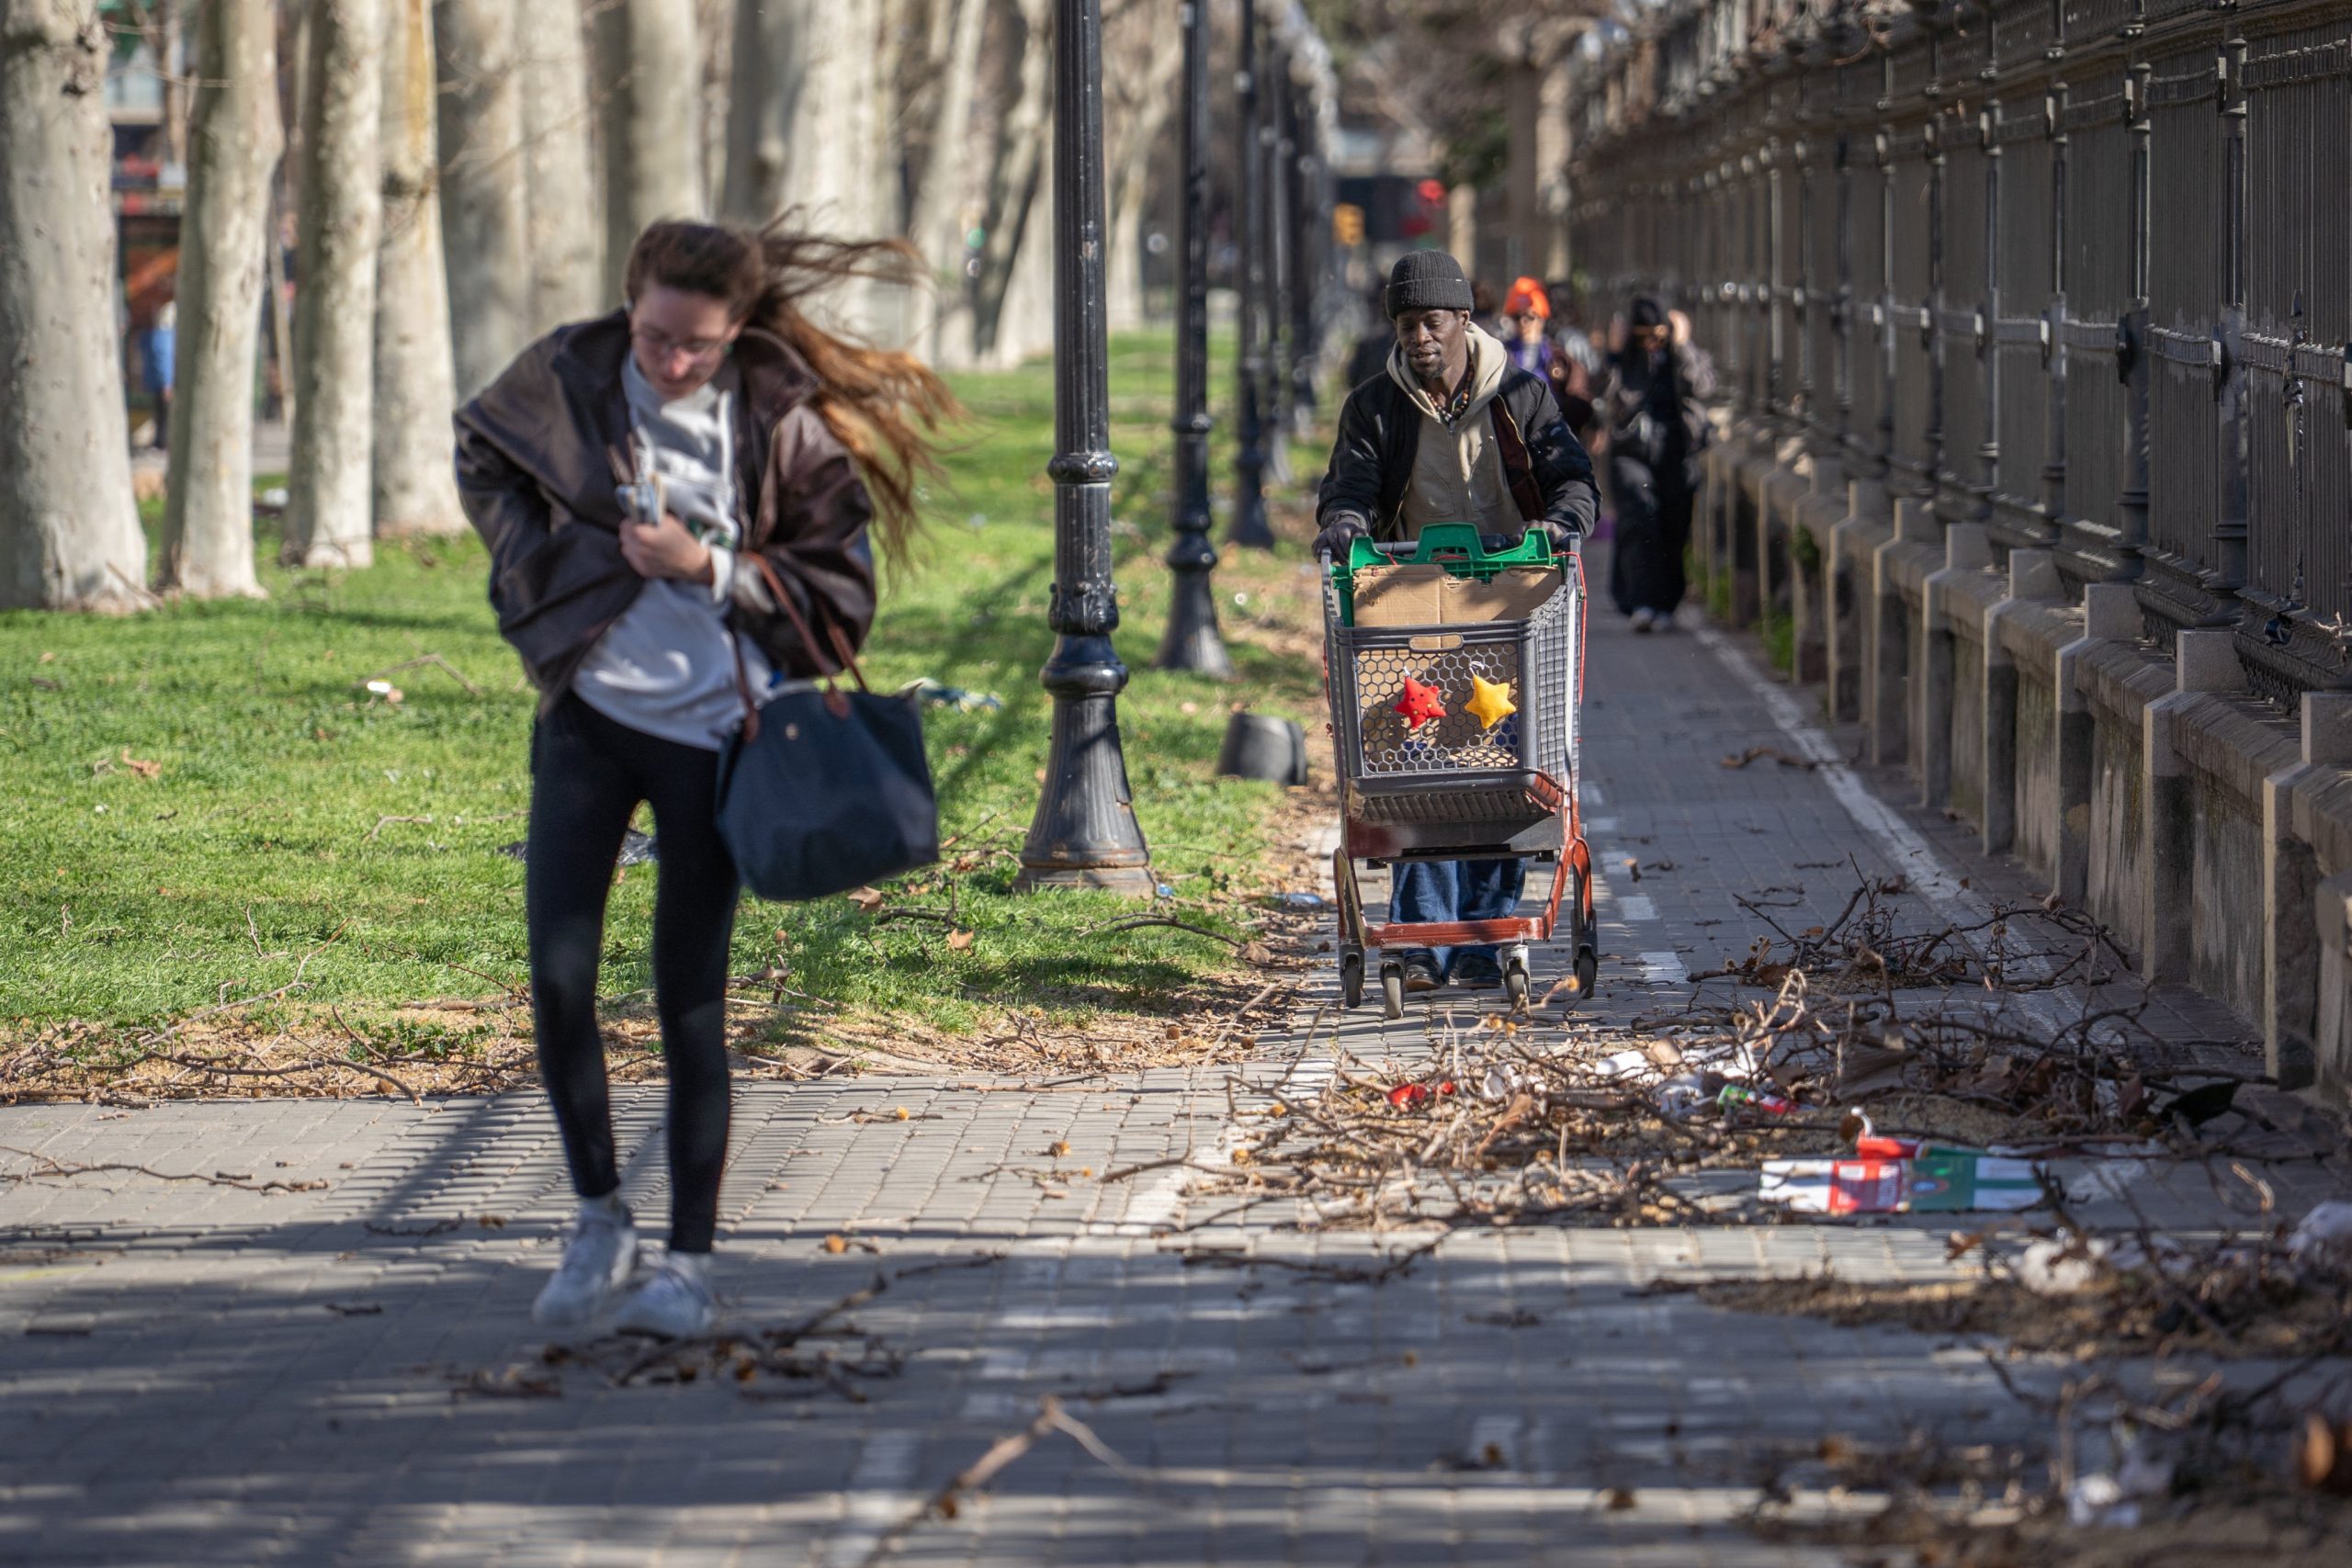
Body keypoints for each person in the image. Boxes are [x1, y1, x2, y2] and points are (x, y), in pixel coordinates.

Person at [455, 220, 955, 1337]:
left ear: (733, 334)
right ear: (627, 304)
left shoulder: (778, 422)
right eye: (652, 336)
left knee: (688, 1000)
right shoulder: (570, 375)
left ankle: (687, 1260)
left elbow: (840, 590)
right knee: (557, 976)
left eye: (696, 346)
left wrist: (711, 567)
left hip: (713, 745)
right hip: (589, 718)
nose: (669, 363)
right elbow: (480, 451)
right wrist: (550, 570)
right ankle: (599, 1219)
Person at [1312, 250, 1600, 995]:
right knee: (1425, 770)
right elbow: (1349, 486)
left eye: (1431, 322)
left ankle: (1483, 938)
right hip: (1411, 610)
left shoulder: (1523, 397)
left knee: (1508, 769)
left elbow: (1572, 477)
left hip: (1515, 611)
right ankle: (1425, 942)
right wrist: (1345, 522)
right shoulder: (1375, 407)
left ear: (1464, 322)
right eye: (1405, 326)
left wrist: (1565, 519)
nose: (1418, 338)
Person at [1600, 292, 1715, 632]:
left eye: (1658, 336)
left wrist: (1681, 346)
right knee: (1639, 517)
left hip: (1675, 452)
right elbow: (1603, 395)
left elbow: (1703, 386)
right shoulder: (1626, 359)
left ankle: (1666, 602)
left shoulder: (1680, 355)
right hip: (1631, 451)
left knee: (1673, 526)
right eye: (1643, 337)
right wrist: (1615, 352)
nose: (1651, 343)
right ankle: (1640, 600)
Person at [143, 299, 176, 452]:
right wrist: (166, 382)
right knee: (164, 413)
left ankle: (161, 441)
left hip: (161, 381)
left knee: (162, 413)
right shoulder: (164, 336)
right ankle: (162, 442)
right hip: (164, 383)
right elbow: (163, 359)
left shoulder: (159, 335)